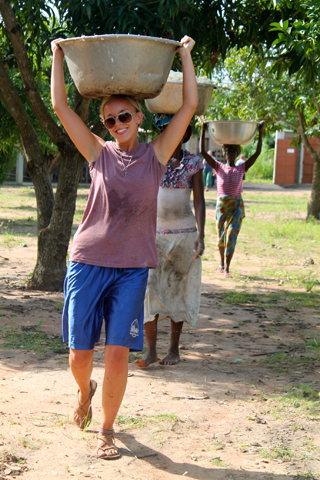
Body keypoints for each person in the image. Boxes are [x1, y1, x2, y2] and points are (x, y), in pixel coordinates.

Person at [51, 35, 198, 459]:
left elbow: (187, 107)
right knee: (81, 356)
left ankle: (107, 428)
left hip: (132, 269)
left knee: (117, 354)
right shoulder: (98, 153)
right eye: (111, 120)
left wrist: (184, 56)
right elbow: (61, 107)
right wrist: (59, 57)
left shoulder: (157, 156)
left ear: (139, 117)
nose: (118, 124)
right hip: (87, 263)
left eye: (125, 116)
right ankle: (85, 391)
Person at [135, 114, 205, 368]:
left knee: (178, 290)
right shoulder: (151, 160)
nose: (170, 134)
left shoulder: (194, 163)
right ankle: (151, 351)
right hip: (153, 236)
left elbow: (198, 200)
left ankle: (173, 350)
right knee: (147, 291)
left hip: (183, 236)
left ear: (185, 135)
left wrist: (201, 234)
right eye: (165, 130)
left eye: (176, 130)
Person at [200, 121, 264, 278]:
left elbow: (257, 153)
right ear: (225, 153)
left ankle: (227, 267)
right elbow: (202, 151)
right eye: (228, 151)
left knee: (231, 237)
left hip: (235, 207)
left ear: (237, 154)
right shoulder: (218, 167)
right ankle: (221, 263)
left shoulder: (241, 168)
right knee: (220, 237)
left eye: (234, 151)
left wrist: (260, 133)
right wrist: (203, 130)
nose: (231, 153)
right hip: (221, 207)